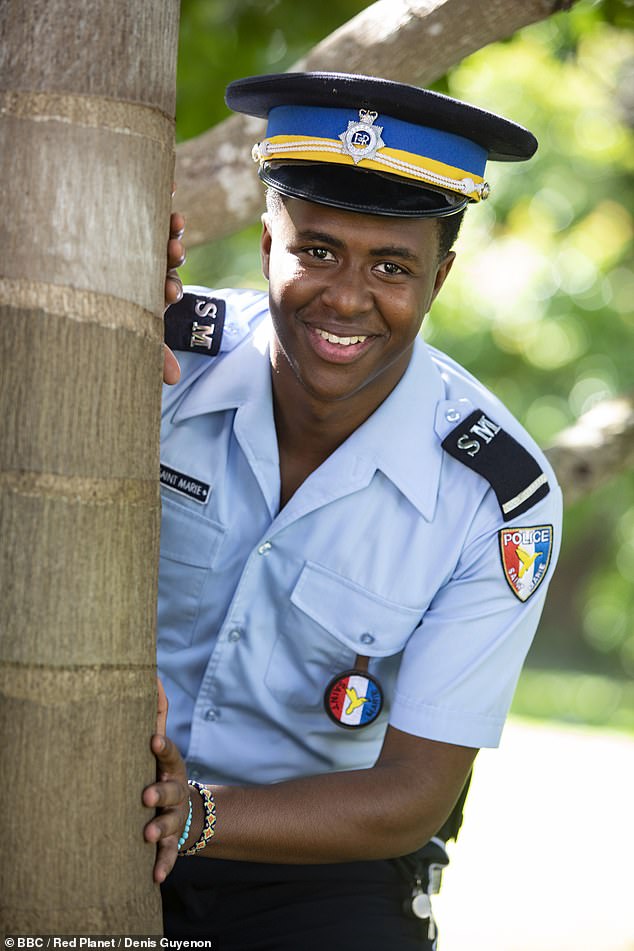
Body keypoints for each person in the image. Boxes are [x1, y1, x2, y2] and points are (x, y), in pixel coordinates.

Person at [144, 71, 563, 950]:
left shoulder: (496, 498)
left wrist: (197, 818)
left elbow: (414, 792)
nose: (346, 296)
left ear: (440, 278)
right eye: (319, 250)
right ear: (266, 246)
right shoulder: (160, 363)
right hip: (85, 801)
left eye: (392, 266)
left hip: (315, 861)